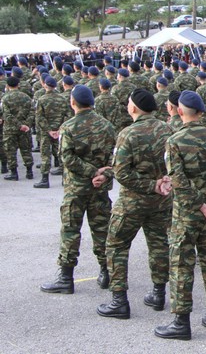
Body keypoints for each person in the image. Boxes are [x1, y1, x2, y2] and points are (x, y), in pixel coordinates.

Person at [154, 90, 206, 341]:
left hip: (187, 213)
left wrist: (200, 205)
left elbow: (179, 181)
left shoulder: (175, 141)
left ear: (180, 111)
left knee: (181, 266)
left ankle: (181, 321)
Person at [97, 89, 173, 320]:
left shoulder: (128, 134)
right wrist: (160, 184)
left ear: (134, 108)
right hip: (161, 200)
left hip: (133, 202)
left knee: (117, 245)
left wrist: (150, 184)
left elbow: (123, 173)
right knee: (159, 245)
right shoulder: (167, 129)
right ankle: (158, 294)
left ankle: (119, 300)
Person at [40, 85, 116, 294]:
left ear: (73, 103)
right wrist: (102, 174)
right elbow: (114, 158)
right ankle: (106, 272)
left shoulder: (68, 127)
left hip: (76, 189)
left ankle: (66, 277)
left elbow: (68, 158)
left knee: (71, 231)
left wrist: (91, 172)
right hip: (99, 189)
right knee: (102, 231)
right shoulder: (107, 126)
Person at [33, 76, 68, 188]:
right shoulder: (62, 99)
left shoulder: (41, 100)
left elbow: (39, 118)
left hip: (45, 132)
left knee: (45, 155)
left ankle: (45, 179)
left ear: (45, 85)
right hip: (59, 131)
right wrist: (59, 130)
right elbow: (67, 116)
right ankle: (64, 179)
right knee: (62, 153)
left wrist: (48, 130)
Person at [1, 76, 34, 180]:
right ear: (18, 85)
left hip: (10, 129)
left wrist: (18, 125)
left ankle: (14, 173)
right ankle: (29, 172)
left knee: (10, 151)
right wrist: (25, 125)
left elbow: (7, 115)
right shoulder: (26, 97)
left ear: (7, 86)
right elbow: (32, 112)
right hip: (25, 129)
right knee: (26, 149)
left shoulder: (5, 98)